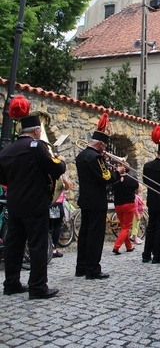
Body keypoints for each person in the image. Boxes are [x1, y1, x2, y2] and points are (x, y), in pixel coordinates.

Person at [0, 110, 66, 299]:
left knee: (14, 244)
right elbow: (54, 168)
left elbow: (2, 177)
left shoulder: (6, 150)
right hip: (35, 204)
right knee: (37, 244)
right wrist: (61, 163)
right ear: (37, 131)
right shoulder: (36, 146)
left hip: (14, 204)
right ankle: (38, 286)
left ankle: (11, 283)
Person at [75, 129, 115, 279]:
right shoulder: (96, 158)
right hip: (97, 202)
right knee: (95, 236)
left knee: (84, 234)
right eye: (104, 146)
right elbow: (106, 177)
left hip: (85, 200)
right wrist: (117, 172)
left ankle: (81, 266)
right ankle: (93, 269)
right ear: (99, 143)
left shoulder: (81, 156)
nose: (104, 149)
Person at [112, 162, 138, 254]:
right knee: (126, 227)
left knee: (123, 227)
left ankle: (129, 246)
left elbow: (111, 188)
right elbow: (136, 189)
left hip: (118, 205)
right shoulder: (132, 179)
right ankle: (116, 246)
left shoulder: (115, 179)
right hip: (128, 205)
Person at [49, 173, 71, 258]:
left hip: (51, 203)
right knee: (56, 226)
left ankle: (50, 247)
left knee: (50, 226)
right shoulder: (59, 175)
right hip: (56, 203)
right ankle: (53, 248)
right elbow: (67, 186)